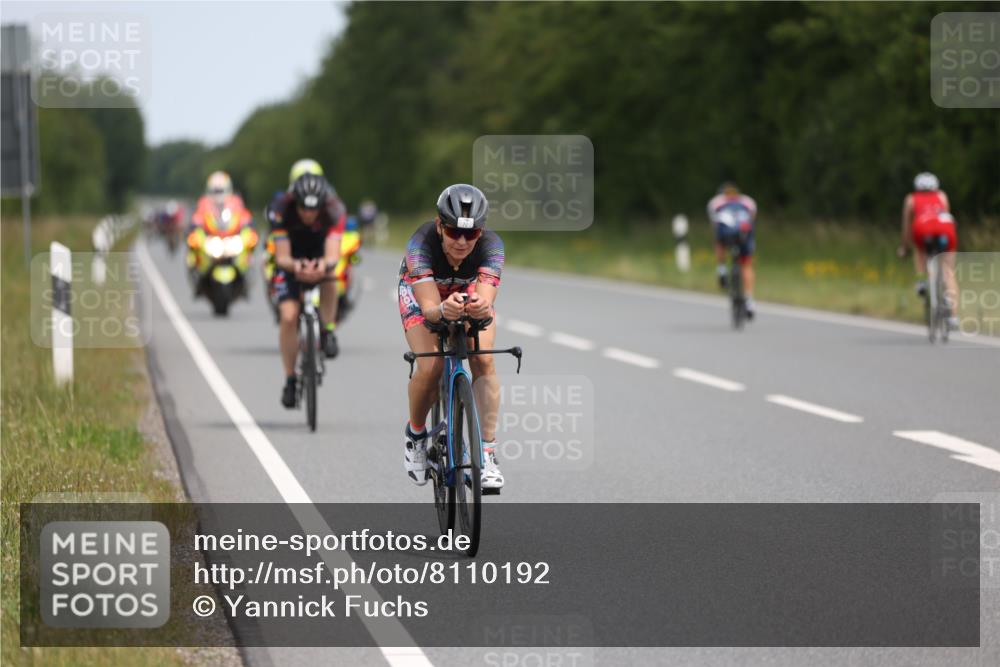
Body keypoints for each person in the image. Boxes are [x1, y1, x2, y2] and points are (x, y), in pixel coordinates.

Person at [398, 184, 505, 491]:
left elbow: (485, 302)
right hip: (424, 294)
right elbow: (430, 310)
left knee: (483, 359)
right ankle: (416, 436)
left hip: (466, 292)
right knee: (430, 367)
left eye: (470, 235)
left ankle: (487, 453)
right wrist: (443, 310)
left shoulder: (493, 247)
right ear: (439, 226)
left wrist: (480, 307)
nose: (461, 241)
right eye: (453, 231)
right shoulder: (420, 244)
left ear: (481, 233)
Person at [268, 173, 347, 407]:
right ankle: (290, 380)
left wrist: (323, 266)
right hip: (291, 261)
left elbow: (333, 255)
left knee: (332, 278)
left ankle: (328, 330)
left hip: (319, 256)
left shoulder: (334, 210)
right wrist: (297, 266)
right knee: (288, 316)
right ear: (295, 202)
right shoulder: (281, 209)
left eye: (314, 209)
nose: (308, 214)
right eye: (303, 208)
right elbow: (281, 257)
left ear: (322, 204)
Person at [899, 172, 959, 329]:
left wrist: (904, 248)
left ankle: (921, 281)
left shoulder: (911, 199)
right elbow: (946, 214)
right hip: (945, 229)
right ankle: (953, 315)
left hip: (923, 229)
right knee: (948, 272)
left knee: (919, 249)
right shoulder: (942, 195)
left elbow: (906, 227)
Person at [707, 182, 758, 318]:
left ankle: (722, 269)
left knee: (719, 242)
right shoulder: (748, 201)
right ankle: (749, 300)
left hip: (726, 236)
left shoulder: (716, 202)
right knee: (747, 265)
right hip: (743, 237)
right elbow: (752, 220)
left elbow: (715, 225)